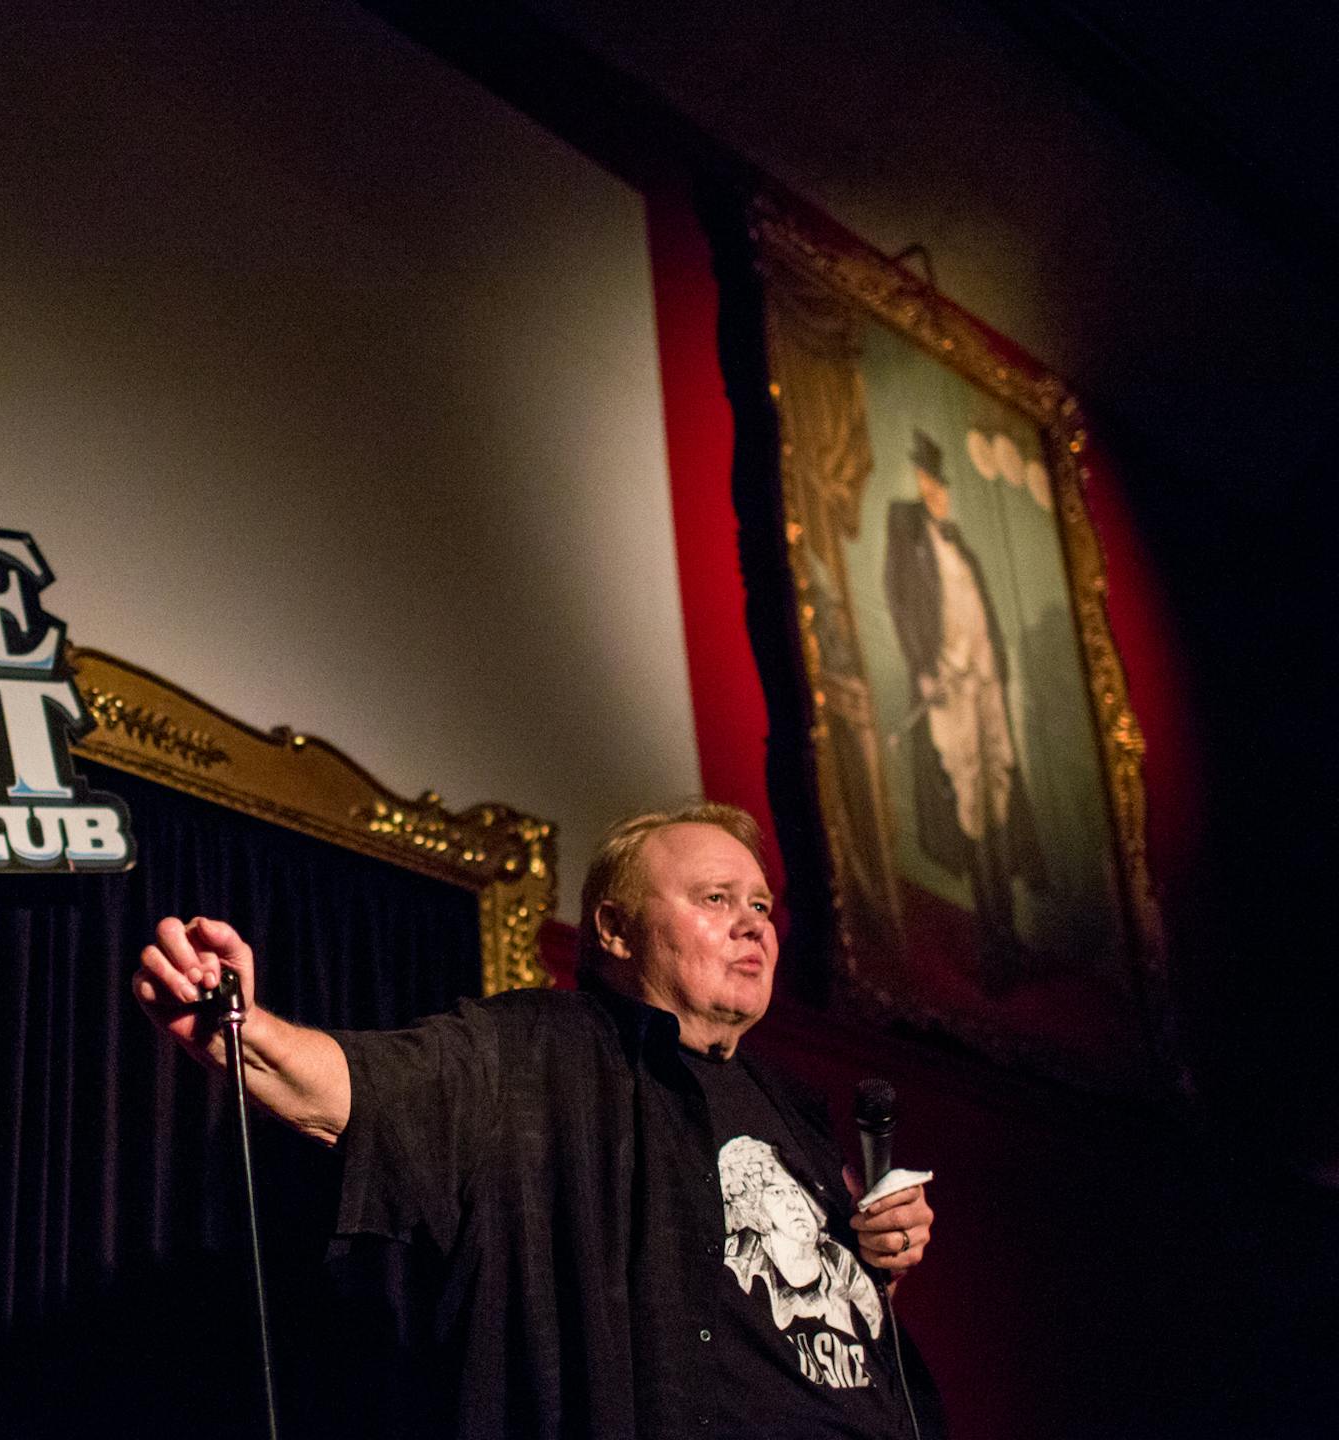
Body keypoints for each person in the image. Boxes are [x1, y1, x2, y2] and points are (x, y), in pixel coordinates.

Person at [133, 803, 942, 1438]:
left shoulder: (792, 1111)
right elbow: (361, 1089)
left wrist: (880, 1254)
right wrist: (240, 1025)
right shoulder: (530, 1052)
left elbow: (822, 1318)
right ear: (615, 929)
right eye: (716, 899)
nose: (753, 922)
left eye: (761, 903)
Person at [882, 428, 1046, 990]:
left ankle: (1008, 932)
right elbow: (901, 601)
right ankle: (993, 943)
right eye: (927, 482)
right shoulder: (907, 536)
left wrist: (995, 672)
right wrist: (925, 667)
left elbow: (982, 617)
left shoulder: (962, 547)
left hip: (985, 686)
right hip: (948, 687)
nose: (936, 492)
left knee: (999, 784)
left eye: (940, 484)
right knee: (969, 791)